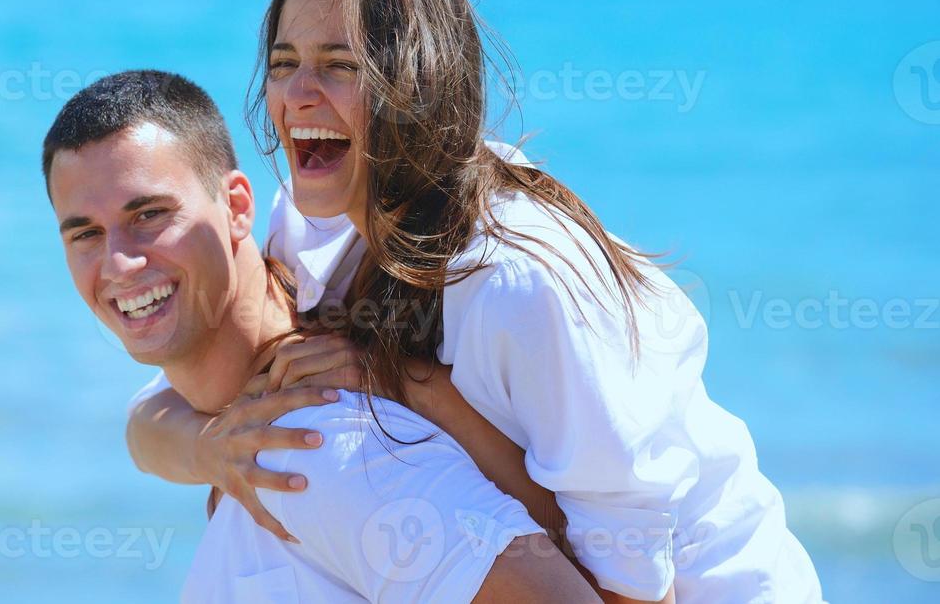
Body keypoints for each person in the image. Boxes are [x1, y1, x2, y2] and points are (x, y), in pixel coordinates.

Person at [128, 0, 826, 603]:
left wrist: (408, 383)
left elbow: (630, 589)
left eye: (340, 65)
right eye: (283, 64)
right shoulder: (312, 221)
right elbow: (163, 414)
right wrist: (216, 451)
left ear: (416, 85)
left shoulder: (515, 280)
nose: (297, 94)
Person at [44, 70, 599, 603]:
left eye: (148, 215)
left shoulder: (322, 450)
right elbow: (144, 424)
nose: (118, 262)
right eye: (86, 233)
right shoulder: (239, 433)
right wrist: (203, 450)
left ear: (238, 207)